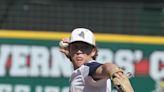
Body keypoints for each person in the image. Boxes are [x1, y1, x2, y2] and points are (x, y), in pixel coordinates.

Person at [59, 28, 134, 92]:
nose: (79, 51)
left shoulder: (88, 69)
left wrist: (114, 71)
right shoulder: (81, 71)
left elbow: (105, 68)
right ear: (69, 50)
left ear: (93, 51)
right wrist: (71, 57)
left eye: (84, 47)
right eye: (75, 47)